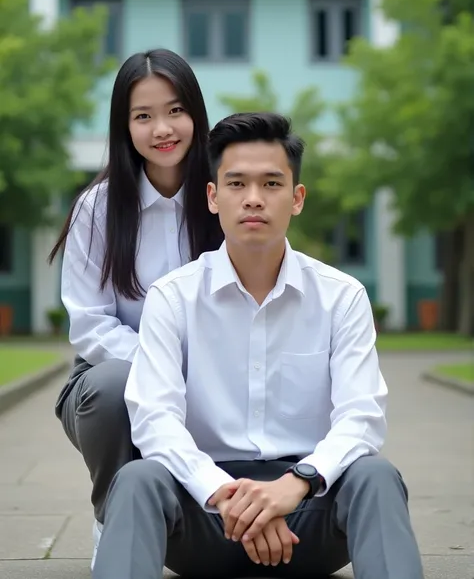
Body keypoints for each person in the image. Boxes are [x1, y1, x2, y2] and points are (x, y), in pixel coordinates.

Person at [93, 111, 424, 579]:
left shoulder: (341, 296)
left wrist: (296, 484)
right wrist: (225, 494)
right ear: (212, 196)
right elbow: (154, 420)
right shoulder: (172, 297)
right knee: (137, 478)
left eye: (271, 184)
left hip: (309, 515)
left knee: (377, 476)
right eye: (236, 184)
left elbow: (361, 417)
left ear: (297, 198)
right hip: (205, 517)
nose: (253, 199)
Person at [48, 48, 223, 569]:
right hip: (116, 378)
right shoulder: (98, 208)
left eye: (175, 110)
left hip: (216, 372)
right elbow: (90, 324)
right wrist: (165, 363)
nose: (162, 128)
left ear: (196, 113)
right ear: (123, 127)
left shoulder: (227, 198)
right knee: (109, 387)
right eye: (143, 116)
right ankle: (113, 518)